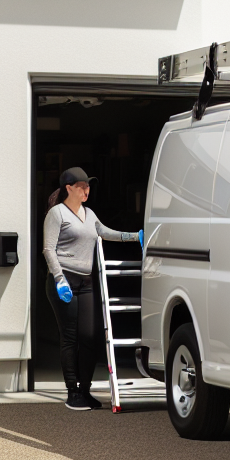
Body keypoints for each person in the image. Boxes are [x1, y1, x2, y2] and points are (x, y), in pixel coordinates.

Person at [41, 167, 143, 411]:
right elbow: (48, 249)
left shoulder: (89, 213)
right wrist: (59, 278)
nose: (87, 190)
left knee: (90, 336)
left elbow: (105, 232)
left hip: (86, 283)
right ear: (69, 188)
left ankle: (84, 390)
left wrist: (134, 236)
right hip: (63, 281)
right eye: (82, 186)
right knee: (70, 337)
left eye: (88, 186)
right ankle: (72, 392)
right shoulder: (57, 214)